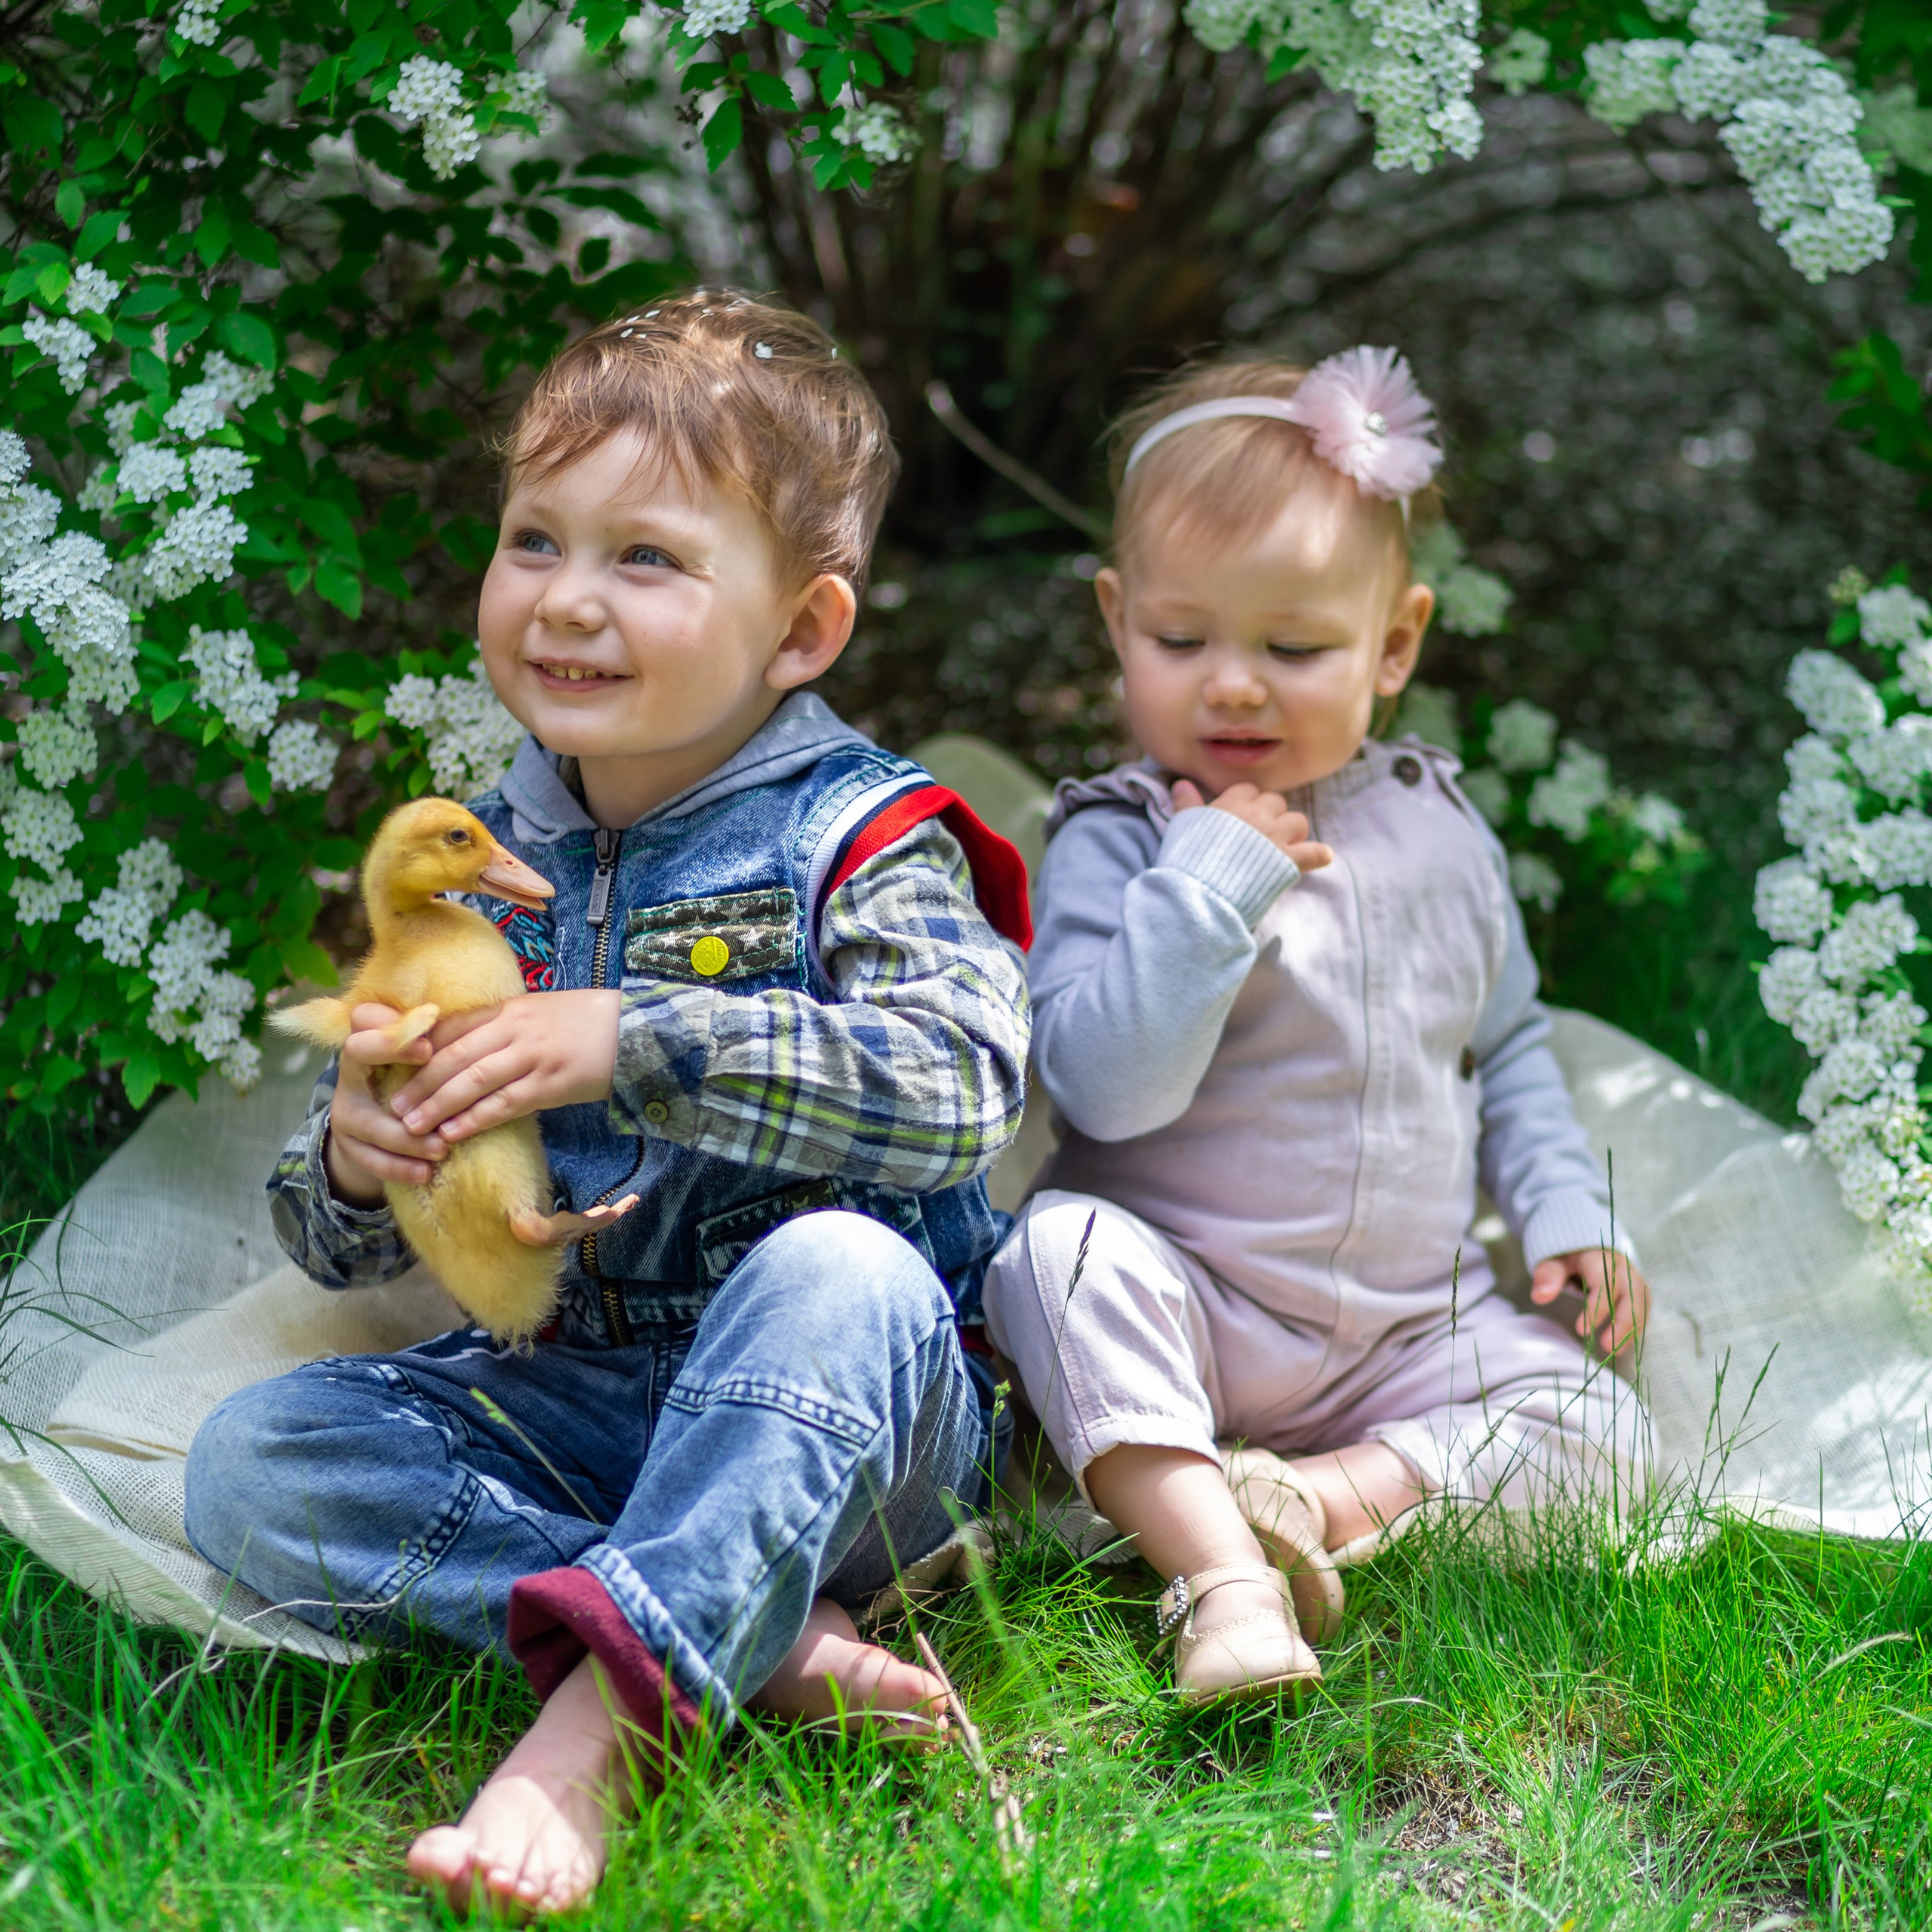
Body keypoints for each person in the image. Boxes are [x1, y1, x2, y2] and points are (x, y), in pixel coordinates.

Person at [183, 292, 1032, 1914]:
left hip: (852, 1423)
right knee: (257, 1460)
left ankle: (594, 1732)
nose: (567, 601)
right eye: (534, 539)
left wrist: (635, 1034)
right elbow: (336, 1243)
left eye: (646, 558)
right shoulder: (480, 858)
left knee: (842, 1266)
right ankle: (732, 1622)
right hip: (571, 1400)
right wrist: (360, 1165)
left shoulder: (862, 836)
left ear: (798, 630)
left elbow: (962, 1087)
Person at [980, 348, 1652, 1706]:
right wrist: (1208, 887)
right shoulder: (1118, 836)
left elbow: (1508, 1044)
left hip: (1407, 1326)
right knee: (1050, 1263)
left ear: (1394, 644)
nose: (1233, 686)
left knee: (1610, 1437)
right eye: (1183, 642)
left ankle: (1312, 1501)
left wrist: (1567, 1205)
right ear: (1120, 623)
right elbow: (1103, 1093)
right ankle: (1218, 1578)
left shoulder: (1441, 828)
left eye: (1293, 649)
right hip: (1192, 1296)